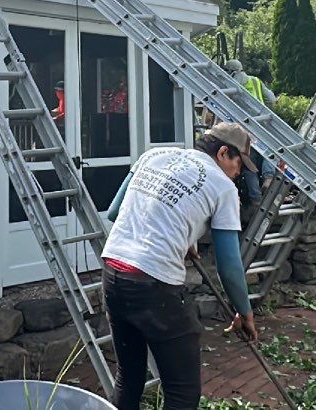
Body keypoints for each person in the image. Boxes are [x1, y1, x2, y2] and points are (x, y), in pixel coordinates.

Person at [100, 122, 259, 410]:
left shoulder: (153, 155)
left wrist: (181, 237)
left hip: (113, 272)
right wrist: (244, 311)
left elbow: (114, 211)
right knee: (182, 392)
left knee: (129, 378)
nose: (239, 174)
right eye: (239, 164)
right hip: (154, 284)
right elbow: (229, 264)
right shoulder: (222, 187)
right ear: (224, 152)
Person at [223, 59, 276, 204]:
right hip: (262, 122)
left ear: (230, 71)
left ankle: (255, 198)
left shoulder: (229, 86)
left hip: (244, 129)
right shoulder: (255, 81)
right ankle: (269, 178)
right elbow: (271, 99)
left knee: (248, 162)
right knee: (270, 154)